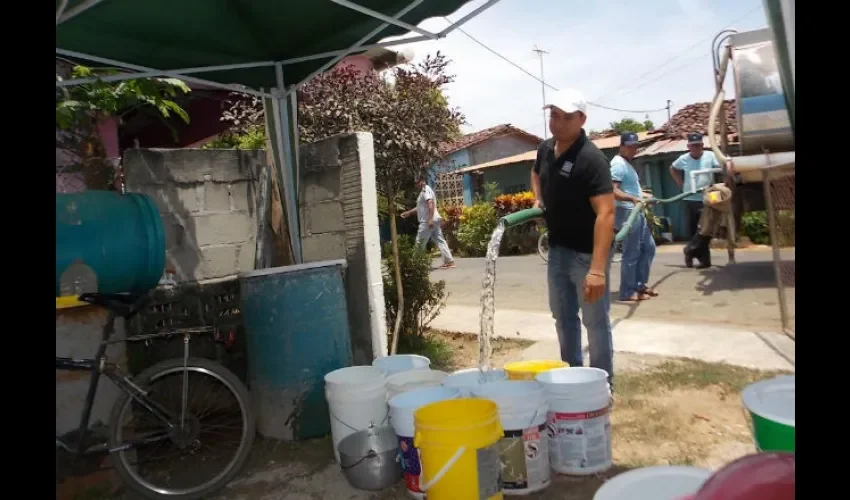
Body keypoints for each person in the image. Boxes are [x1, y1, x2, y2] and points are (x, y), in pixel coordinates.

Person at [529, 88, 617, 387]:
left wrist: (596, 270)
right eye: (554, 115)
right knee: (563, 318)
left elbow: (606, 214)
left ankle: (602, 384)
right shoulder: (545, 148)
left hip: (586, 254)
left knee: (594, 322)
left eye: (567, 117)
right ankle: (572, 379)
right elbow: (536, 173)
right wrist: (538, 199)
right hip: (557, 250)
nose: (559, 123)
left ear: (582, 119)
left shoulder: (591, 159)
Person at [610, 132, 657, 302]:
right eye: (629, 146)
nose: (633, 149)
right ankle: (627, 291)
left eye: (635, 146)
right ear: (621, 146)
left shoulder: (627, 164)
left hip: (636, 210)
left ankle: (639, 284)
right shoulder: (618, 165)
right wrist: (633, 198)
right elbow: (613, 191)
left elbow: (631, 189)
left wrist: (644, 196)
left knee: (649, 248)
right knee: (632, 252)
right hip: (626, 212)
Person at [669, 132, 721, 268]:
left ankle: (690, 250)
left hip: (708, 196)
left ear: (702, 145)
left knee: (707, 229)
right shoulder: (684, 159)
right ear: (689, 147)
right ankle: (701, 258)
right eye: (693, 146)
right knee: (694, 229)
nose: (696, 148)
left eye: (698, 145)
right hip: (690, 198)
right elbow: (673, 169)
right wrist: (680, 184)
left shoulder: (710, 156)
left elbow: (721, 167)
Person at [401, 176, 456, 269]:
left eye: (417, 182)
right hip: (434, 220)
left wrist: (430, 220)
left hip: (427, 221)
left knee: (420, 241)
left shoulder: (425, 190)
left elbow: (430, 204)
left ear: (422, 181)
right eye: (415, 183)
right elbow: (421, 207)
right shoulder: (424, 191)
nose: (416, 185)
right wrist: (409, 213)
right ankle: (449, 261)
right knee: (440, 240)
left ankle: (416, 265)